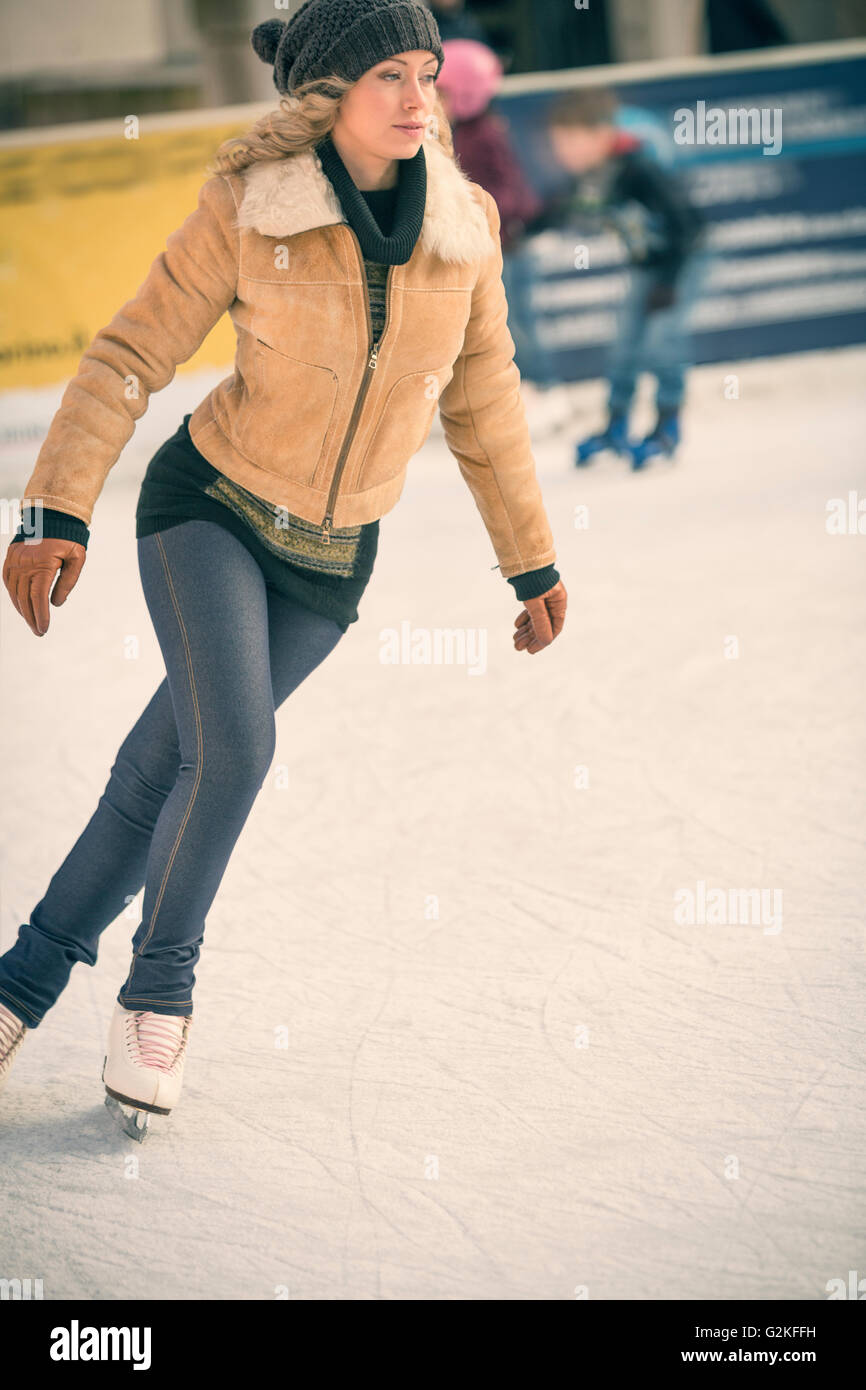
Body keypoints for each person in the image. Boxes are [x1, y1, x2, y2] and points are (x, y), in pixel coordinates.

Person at [0, 0, 567, 1126]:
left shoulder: (463, 226)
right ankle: (159, 995)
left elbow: (486, 401)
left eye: (426, 73)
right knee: (239, 747)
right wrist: (54, 505)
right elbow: (130, 351)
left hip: (330, 554)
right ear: (327, 96)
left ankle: (16, 988)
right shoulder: (252, 206)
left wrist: (530, 561)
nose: (418, 100)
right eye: (388, 79)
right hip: (209, 506)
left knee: (158, 773)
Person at [543, 87, 705, 469]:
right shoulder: (593, 176)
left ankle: (668, 424)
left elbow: (687, 225)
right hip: (647, 265)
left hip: (683, 262)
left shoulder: (639, 168)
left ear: (601, 135)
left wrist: (669, 282)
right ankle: (616, 423)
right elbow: (562, 211)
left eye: (570, 142)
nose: (562, 153)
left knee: (662, 340)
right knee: (626, 345)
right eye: (558, 144)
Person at [436, 37, 565, 413]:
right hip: (488, 249)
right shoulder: (458, 133)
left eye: (441, 92)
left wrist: (473, 205)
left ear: (465, 94)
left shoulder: (485, 134)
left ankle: (546, 391)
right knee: (491, 327)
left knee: (515, 325)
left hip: (508, 248)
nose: (432, 102)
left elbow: (513, 194)